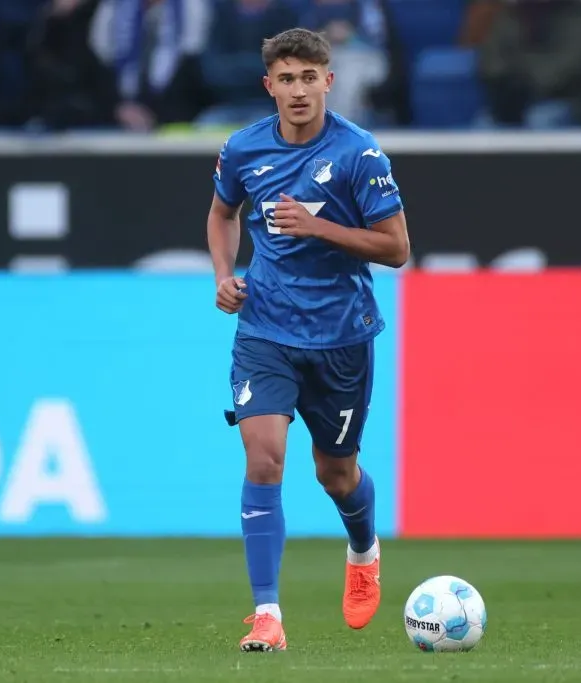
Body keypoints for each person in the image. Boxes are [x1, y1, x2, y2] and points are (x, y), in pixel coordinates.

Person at [205, 27, 410, 653]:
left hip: (341, 337)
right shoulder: (243, 150)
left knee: (336, 474)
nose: (298, 90)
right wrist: (223, 275)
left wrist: (322, 227)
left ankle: (363, 548)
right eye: (286, 79)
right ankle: (267, 614)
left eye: (309, 77)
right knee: (264, 457)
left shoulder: (359, 154)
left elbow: (397, 248)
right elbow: (222, 213)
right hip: (265, 329)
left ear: (329, 80)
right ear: (270, 86)